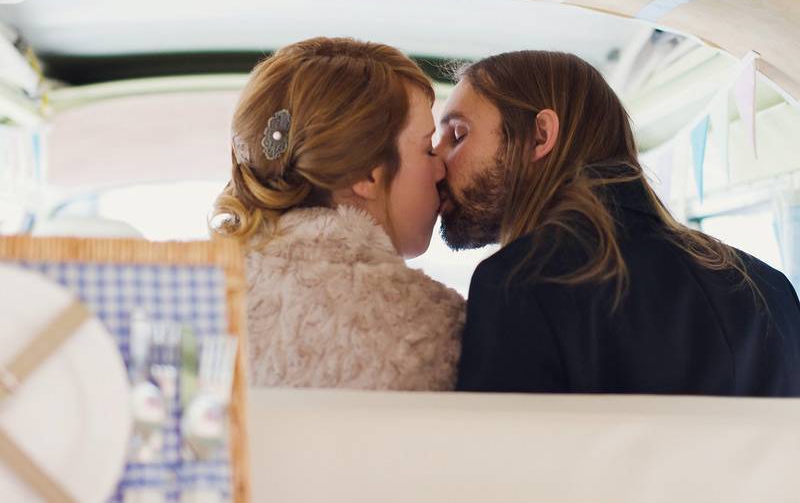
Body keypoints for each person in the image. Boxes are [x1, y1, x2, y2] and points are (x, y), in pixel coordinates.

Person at [435, 50, 800, 396]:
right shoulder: (771, 287)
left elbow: (494, 460)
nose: (436, 162)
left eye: (457, 135)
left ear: (539, 136)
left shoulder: (521, 280)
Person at [212, 37, 464, 390]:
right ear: (365, 174)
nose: (440, 171)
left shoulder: (205, 301)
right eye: (427, 149)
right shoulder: (435, 327)